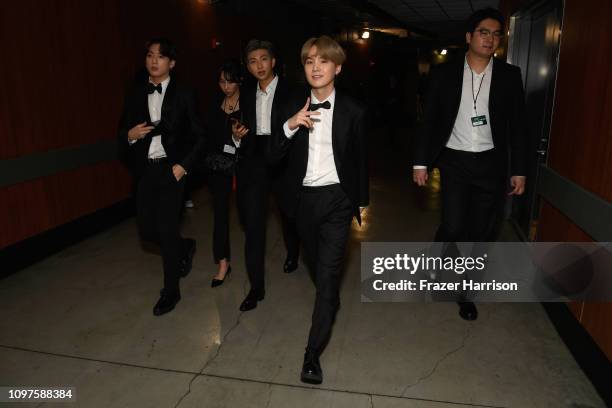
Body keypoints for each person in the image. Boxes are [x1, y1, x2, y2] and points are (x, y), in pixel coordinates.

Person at [412, 8, 528, 321]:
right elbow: (430, 121)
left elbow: (518, 126)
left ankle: (466, 293)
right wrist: (420, 162)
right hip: (454, 161)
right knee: (453, 225)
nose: (490, 39)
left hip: (491, 164)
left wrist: (518, 169)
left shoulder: (509, 75)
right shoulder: (445, 74)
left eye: (496, 33)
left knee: (480, 233)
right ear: (468, 37)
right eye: (483, 32)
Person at [272, 36, 369, 384]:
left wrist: (360, 199)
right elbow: (271, 155)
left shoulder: (354, 110)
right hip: (301, 202)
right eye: (310, 60)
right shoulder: (288, 105)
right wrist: (290, 125)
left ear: (337, 68)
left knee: (328, 276)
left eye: (324, 61)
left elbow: (359, 159)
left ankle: (312, 354)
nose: (316, 66)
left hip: (337, 202)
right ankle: (328, 301)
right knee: (316, 265)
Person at [118, 38, 204, 316]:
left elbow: (201, 137)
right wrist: (129, 136)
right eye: (150, 55)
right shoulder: (135, 94)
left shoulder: (185, 94)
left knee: (166, 231)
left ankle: (171, 291)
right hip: (145, 171)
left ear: (172, 63)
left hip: (172, 169)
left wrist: (183, 166)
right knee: (148, 232)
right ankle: (185, 246)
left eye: (161, 56)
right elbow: (121, 133)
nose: (154, 61)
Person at [231, 39, 300, 312]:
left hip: (283, 159)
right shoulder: (246, 92)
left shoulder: (293, 91)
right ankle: (256, 288)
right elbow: (242, 126)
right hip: (255, 163)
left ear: (273, 61)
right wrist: (237, 136)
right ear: (247, 66)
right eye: (252, 61)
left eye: (263, 59)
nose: (258, 65)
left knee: (289, 215)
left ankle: (293, 252)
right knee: (253, 227)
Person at [205, 59, 243, 287]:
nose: (226, 86)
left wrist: (238, 139)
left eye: (229, 81)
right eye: (221, 81)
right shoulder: (214, 103)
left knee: (248, 217)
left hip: (243, 167)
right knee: (219, 216)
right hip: (218, 167)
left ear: (238, 80)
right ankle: (222, 262)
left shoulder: (248, 103)